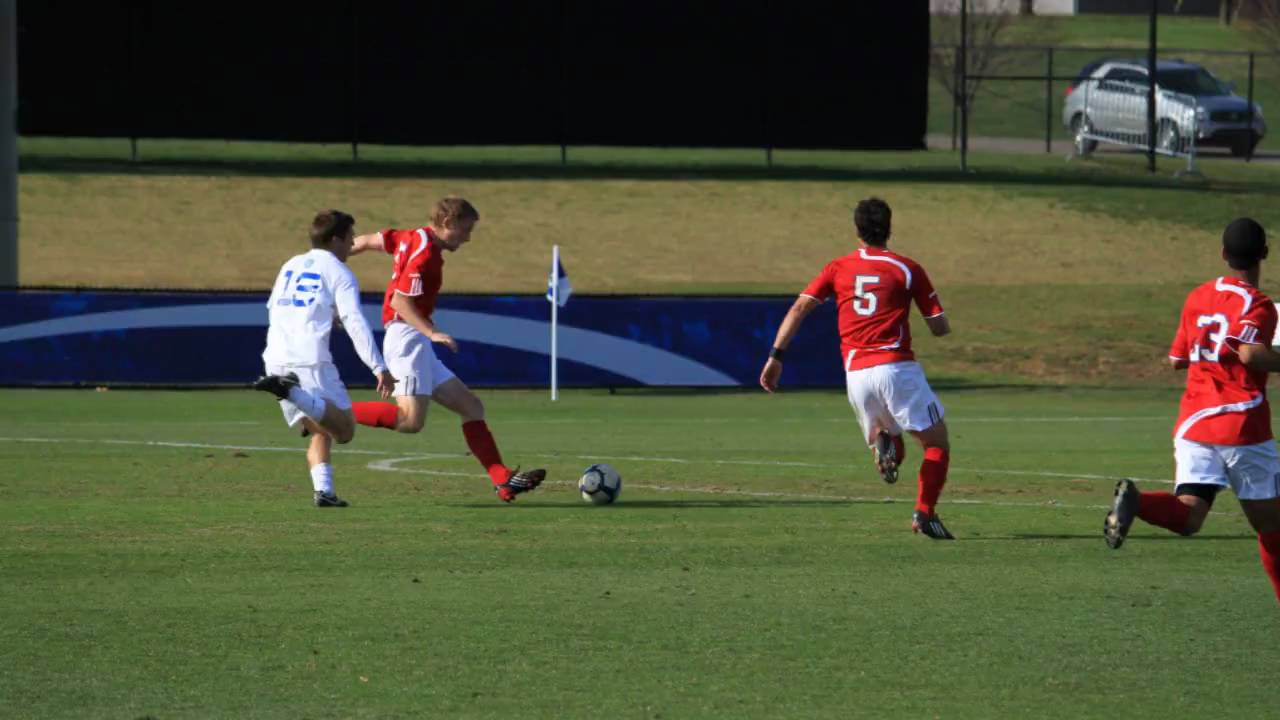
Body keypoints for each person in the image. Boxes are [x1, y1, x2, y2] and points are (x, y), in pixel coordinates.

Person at [1105, 217, 1280, 603]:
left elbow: (1176, 360)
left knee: (1189, 516)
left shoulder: (1198, 297)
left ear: (1223, 254)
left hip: (1194, 423)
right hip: (1241, 425)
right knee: (1273, 528)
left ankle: (1137, 501)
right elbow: (1250, 353)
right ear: (1265, 253)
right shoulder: (1261, 304)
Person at [759, 197, 955, 539]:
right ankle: (924, 513)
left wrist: (776, 356)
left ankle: (885, 440)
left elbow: (799, 308)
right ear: (890, 228)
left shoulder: (838, 268)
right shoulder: (906, 268)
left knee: (897, 442)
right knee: (937, 443)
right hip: (896, 367)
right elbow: (938, 326)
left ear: (857, 230)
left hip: (856, 375)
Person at [345, 196, 546, 503]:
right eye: (465, 230)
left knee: (471, 407)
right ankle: (328, 408)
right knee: (410, 421)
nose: (468, 238)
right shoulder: (425, 255)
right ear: (448, 223)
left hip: (415, 339)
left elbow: (368, 240)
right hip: (407, 337)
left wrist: (334, 257)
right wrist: (432, 331)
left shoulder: (410, 237)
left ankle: (502, 480)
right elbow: (400, 302)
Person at [253, 210, 396, 507]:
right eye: (350, 237)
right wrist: (378, 366)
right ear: (336, 239)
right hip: (309, 359)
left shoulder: (290, 264)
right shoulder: (340, 273)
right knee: (344, 430)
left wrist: (326, 317)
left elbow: (277, 308)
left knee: (319, 425)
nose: (353, 243)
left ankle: (324, 491)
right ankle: (291, 391)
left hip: (276, 358)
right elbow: (355, 321)